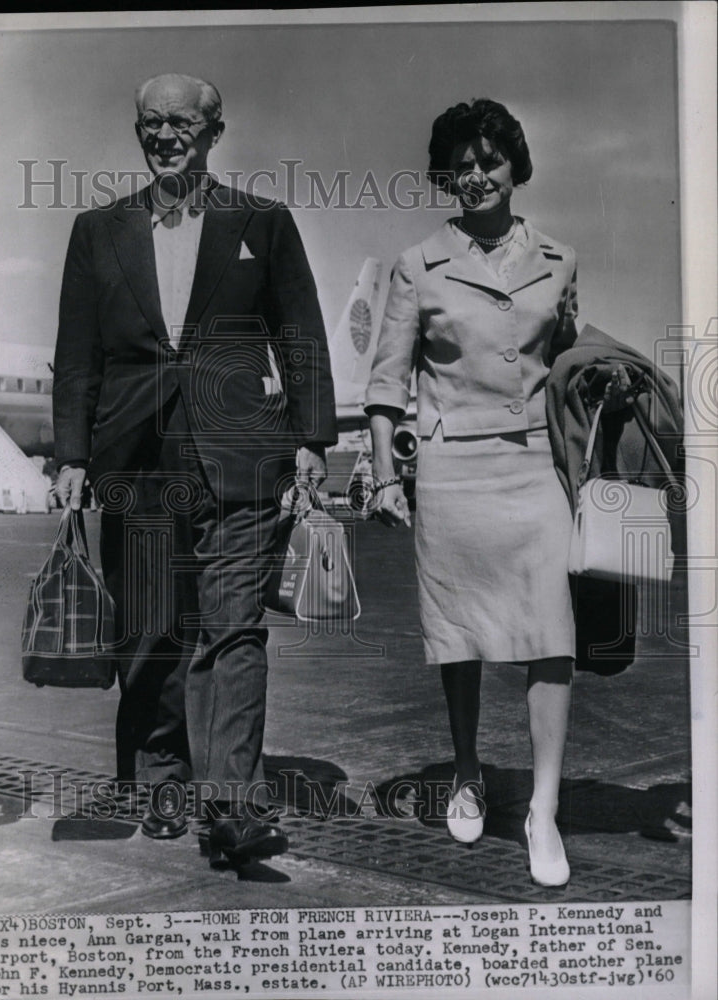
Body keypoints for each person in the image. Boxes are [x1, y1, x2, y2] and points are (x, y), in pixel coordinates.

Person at [53, 73, 337, 865]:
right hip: (134, 455)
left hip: (240, 453)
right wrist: (72, 453)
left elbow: (300, 333)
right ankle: (161, 778)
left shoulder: (262, 222)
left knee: (233, 628)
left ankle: (232, 805)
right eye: (150, 123)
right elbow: (75, 353)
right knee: (148, 629)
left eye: (181, 122)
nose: (164, 135)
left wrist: (313, 438)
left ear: (214, 130)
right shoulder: (96, 229)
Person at [366, 99, 577, 887]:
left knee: (551, 635)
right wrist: (386, 473)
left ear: (513, 167)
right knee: (459, 635)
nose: (476, 175)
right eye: (462, 163)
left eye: (490, 161)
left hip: (534, 469)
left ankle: (543, 810)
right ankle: (464, 770)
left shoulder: (560, 258)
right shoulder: (416, 264)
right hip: (452, 471)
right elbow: (386, 384)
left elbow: (566, 364)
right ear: (444, 175)